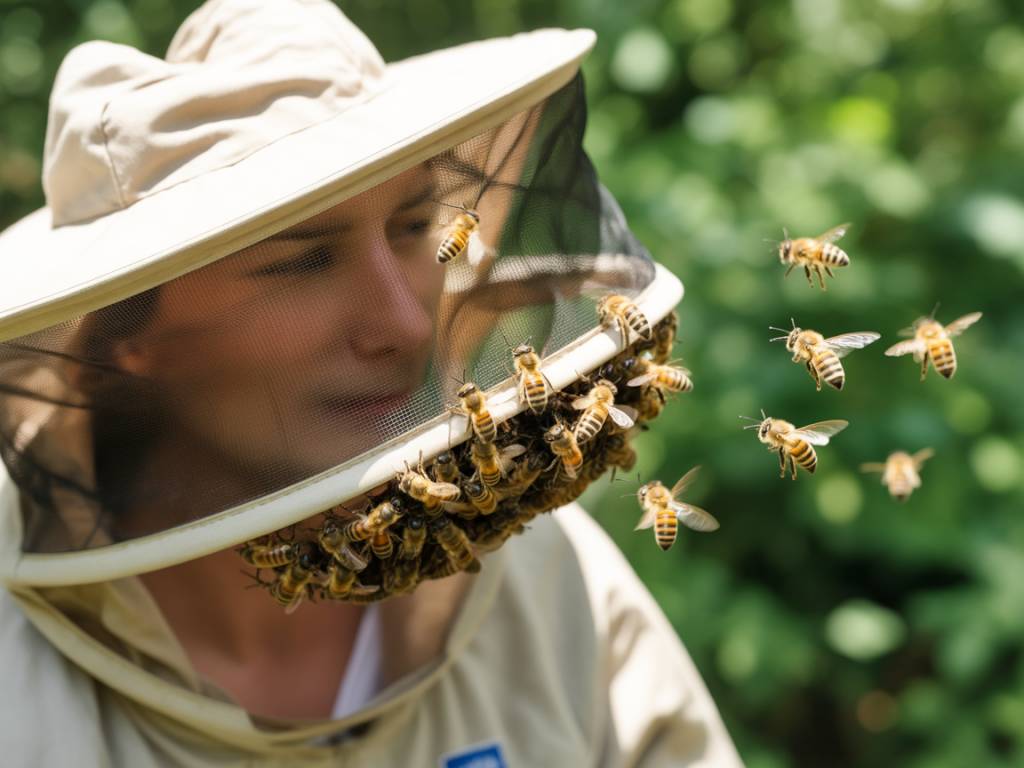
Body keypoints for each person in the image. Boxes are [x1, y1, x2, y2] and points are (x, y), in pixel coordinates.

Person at [0, 0, 744, 765]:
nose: (407, 323)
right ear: (127, 335)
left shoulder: (546, 573)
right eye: (302, 261)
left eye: (414, 227)